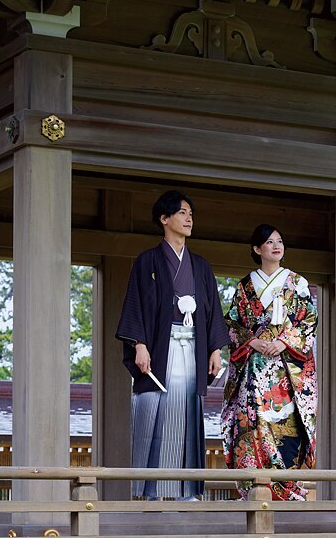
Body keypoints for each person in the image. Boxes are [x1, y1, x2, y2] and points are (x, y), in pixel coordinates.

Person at [115, 190, 229, 500]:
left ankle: (187, 491)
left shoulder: (201, 267)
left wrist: (215, 349)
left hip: (192, 348)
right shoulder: (147, 261)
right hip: (160, 350)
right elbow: (136, 305)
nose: (189, 218)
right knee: (154, 412)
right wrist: (139, 344)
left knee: (188, 413)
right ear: (164, 219)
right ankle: (149, 490)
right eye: (181, 212)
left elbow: (212, 309)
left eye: (190, 213)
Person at [221, 224, 318, 501]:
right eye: (269, 242)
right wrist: (252, 342)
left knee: (285, 424)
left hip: (285, 371)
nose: (276, 246)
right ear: (257, 249)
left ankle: (286, 490)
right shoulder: (244, 286)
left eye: (280, 241)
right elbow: (233, 323)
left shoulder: (296, 282)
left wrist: (284, 342)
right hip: (252, 369)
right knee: (253, 424)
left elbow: (308, 320)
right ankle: (255, 489)